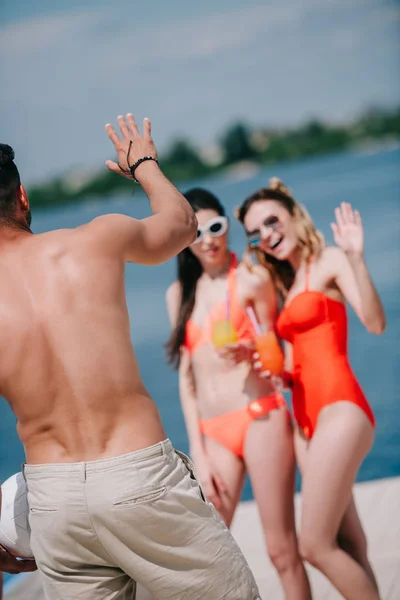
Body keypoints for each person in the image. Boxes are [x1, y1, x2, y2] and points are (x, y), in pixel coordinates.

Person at [0, 115, 262, 600]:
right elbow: (183, 224)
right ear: (23, 198)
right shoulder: (92, 242)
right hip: (137, 479)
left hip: (53, 503)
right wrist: (144, 165)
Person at [235, 177, 386, 600]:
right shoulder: (285, 281)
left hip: (341, 409)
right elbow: (293, 367)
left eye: (272, 221)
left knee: (315, 545)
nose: (266, 235)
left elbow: (375, 323)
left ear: (294, 216)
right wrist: (267, 368)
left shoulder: (331, 261)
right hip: (305, 420)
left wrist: (357, 259)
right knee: (349, 542)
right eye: (256, 232)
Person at [165, 188, 311, 600]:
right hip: (213, 433)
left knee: (281, 549)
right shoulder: (178, 296)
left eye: (216, 227)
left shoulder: (250, 278)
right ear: (184, 238)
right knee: (208, 549)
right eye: (197, 232)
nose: (208, 239)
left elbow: (278, 351)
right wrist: (198, 448)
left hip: (260, 415)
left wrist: (253, 350)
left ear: (228, 225)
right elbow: (187, 380)